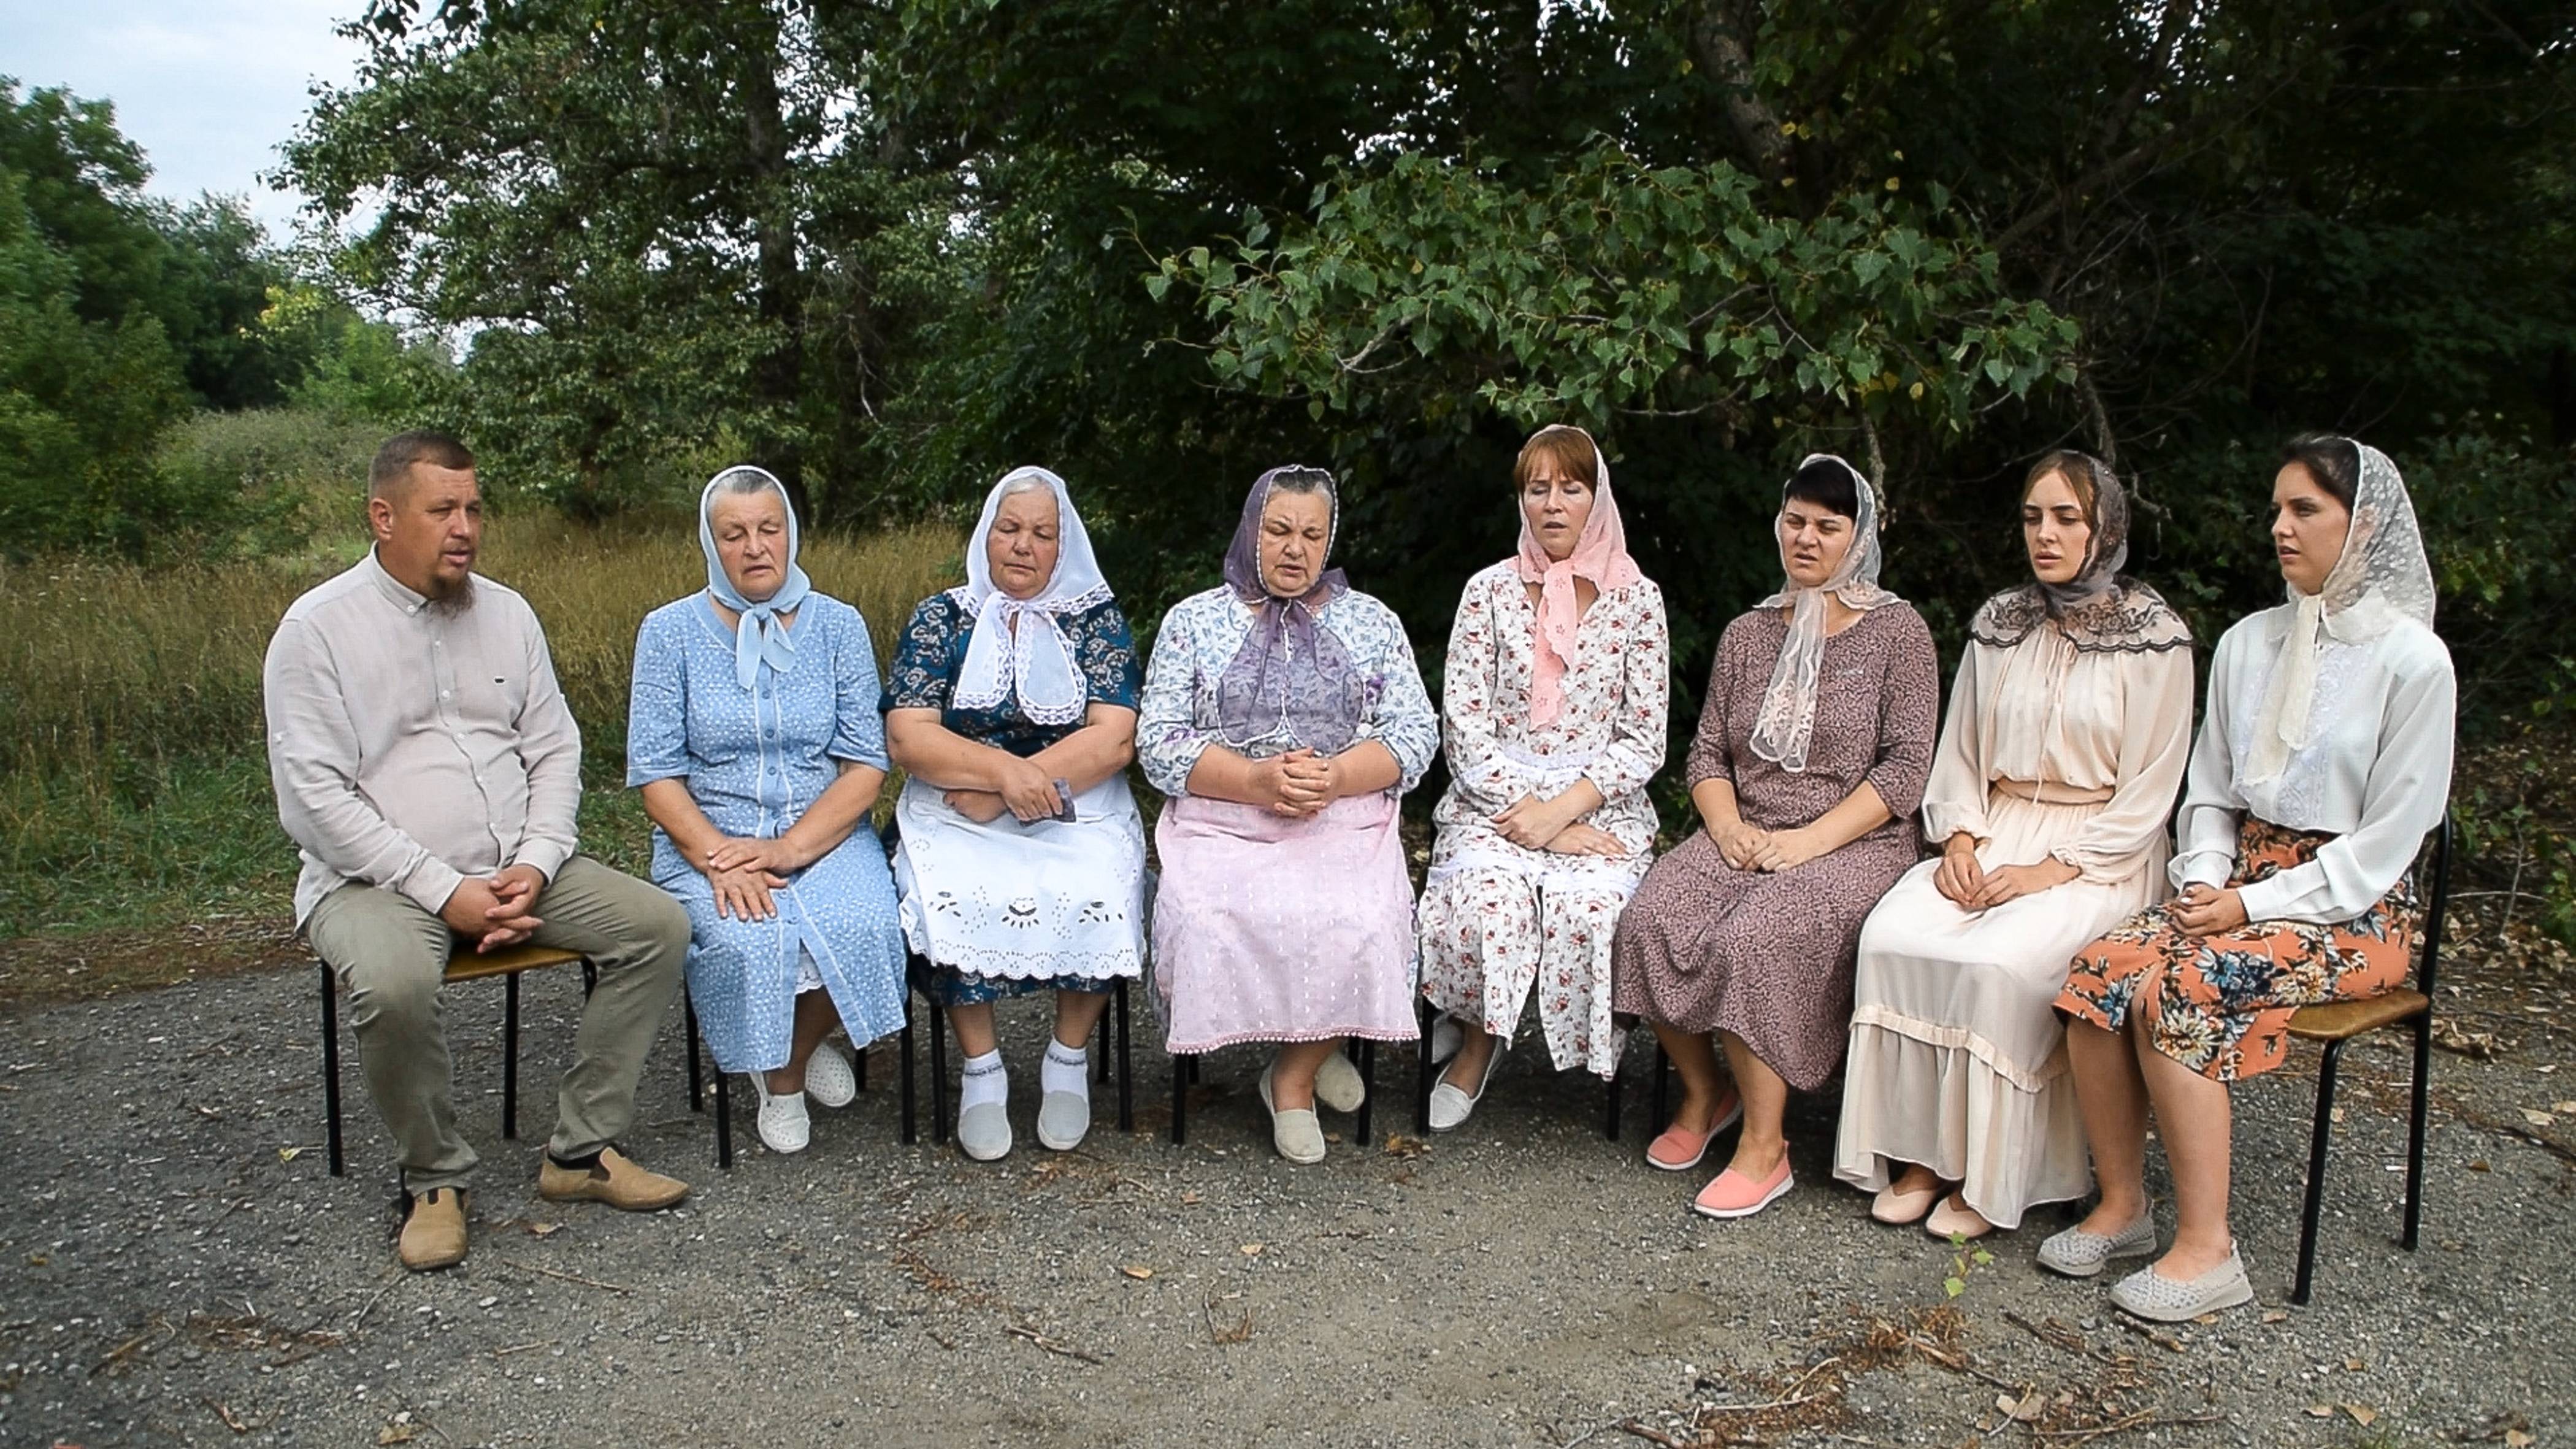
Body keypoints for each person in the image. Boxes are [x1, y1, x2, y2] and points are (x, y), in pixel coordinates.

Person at [263, 431, 691, 1274]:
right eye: (442, 510)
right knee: (392, 982)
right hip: (377, 882)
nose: (465, 527)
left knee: (657, 924)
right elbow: (314, 800)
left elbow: (554, 748)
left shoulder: (509, 612)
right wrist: (442, 888)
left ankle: (579, 1153)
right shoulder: (316, 631)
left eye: (474, 507)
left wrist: (533, 861)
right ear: (383, 517)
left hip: (516, 866)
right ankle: (433, 1179)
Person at [2047, 436, 2452, 1321]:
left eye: (2305, 509)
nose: (2281, 526)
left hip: (2355, 911)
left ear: (2366, 523)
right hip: (2235, 882)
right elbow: (2211, 792)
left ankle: (2211, 1248)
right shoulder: (2248, 641)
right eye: (2277, 508)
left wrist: (2250, 904)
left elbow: (2386, 844)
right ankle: (2124, 1204)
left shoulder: (2414, 662)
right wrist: (2204, 880)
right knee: (2099, 966)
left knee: (2183, 985)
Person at [1833, 453, 2193, 1239]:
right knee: (1894, 936)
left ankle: (1989, 1174)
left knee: (1999, 963)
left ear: (2105, 527)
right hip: (1996, 825)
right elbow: (1959, 748)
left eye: (2066, 518)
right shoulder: (2002, 620)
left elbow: (2153, 788)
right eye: (2034, 518)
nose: (2046, 533)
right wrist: (1960, 837)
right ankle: (1924, 1154)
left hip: (2100, 850)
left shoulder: (2155, 637)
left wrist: (2048, 871)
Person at [1611, 454, 1938, 1219]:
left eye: (1828, 526)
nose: (1807, 538)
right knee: (1650, 915)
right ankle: (1706, 1093)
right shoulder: (1749, 632)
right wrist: (1724, 827)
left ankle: (1767, 1147)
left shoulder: (1899, 632)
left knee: (1757, 937)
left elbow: (1907, 769)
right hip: (1747, 824)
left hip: (1857, 841)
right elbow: (1708, 752)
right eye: (1795, 521)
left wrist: (1809, 842)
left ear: (1859, 537)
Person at [1140, 466, 1439, 1163]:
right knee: (1211, 918)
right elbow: (1156, 742)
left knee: (1363, 917)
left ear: (1329, 539)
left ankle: (1293, 1073)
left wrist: (1334, 777)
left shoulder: (1372, 621)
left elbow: (1415, 731)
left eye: (1312, 534)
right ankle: (1316, 1036)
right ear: (1252, 529)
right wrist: (1253, 779)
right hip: (1224, 819)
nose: (1295, 549)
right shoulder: (1194, 621)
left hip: (1342, 817)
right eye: (1278, 530)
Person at [627, 466, 908, 1156]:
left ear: (791, 533)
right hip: (713, 836)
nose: (755, 547)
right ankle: (789, 1055)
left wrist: (790, 850)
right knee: (746, 937)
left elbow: (865, 762)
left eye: (768, 529)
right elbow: (656, 772)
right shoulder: (668, 633)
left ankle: (782, 1068)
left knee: (870, 921)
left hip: (826, 832)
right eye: (735, 534)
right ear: (711, 543)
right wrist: (719, 856)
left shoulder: (839, 626)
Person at [882, 467, 1147, 1161]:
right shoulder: (942, 617)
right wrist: (1001, 772)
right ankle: (982, 1069)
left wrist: (1011, 792)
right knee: (955, 895)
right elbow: (910, 735)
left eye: (1041, 533)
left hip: (1074, 806)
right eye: (1009, 529)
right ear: (986, 535)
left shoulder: (1095, 619)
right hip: (954, 806)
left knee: (1096, 889)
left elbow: (1115, 736)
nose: (1023, 545)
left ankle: (1067, 1058)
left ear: (1065, 546)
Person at [1416, 426, 1669, 1127]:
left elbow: (1644, 738)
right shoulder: (1487, 592)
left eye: (1571, 487)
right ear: (1521, 500)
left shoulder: (1637, 600)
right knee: (1489, 902)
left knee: (1596, 907)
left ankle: (1594, 1053)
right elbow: (1463, 728)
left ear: (1598, 497)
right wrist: (1534, 818)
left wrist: (1561, 818)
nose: (1554, 505)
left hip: (1596, 805)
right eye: (1538, 489)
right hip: (1495, 799)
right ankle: (1478, 1043)